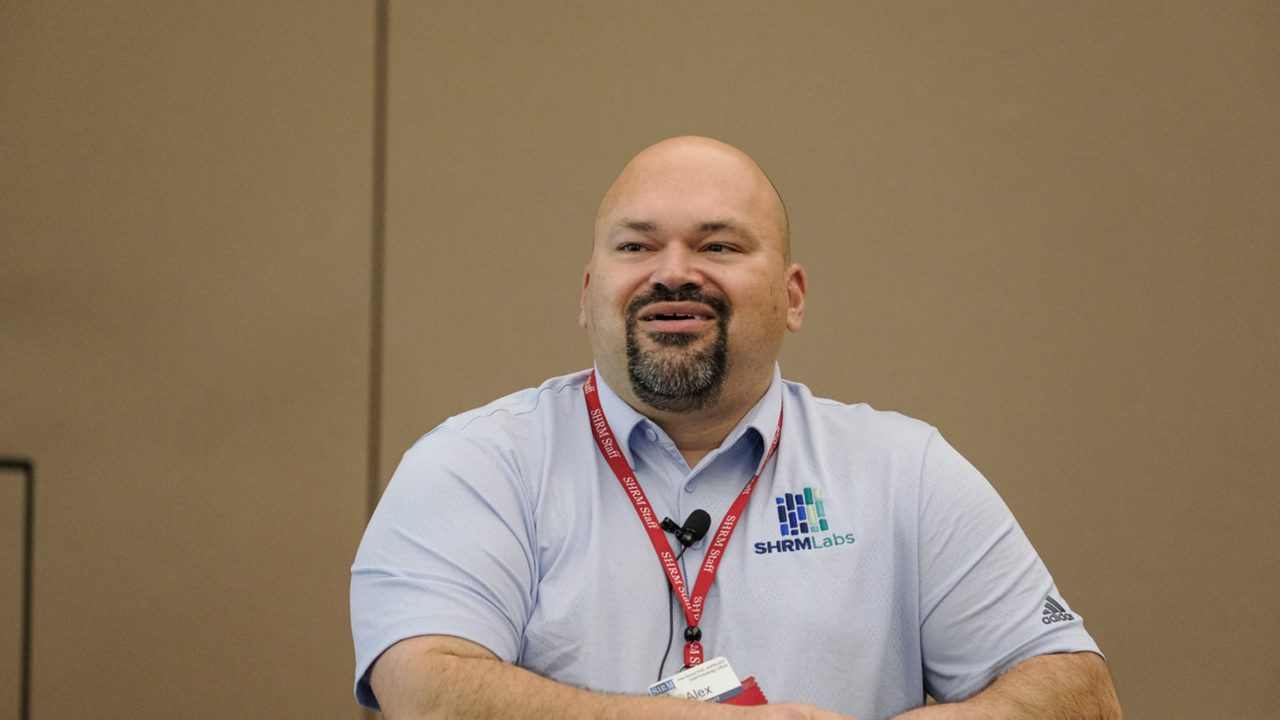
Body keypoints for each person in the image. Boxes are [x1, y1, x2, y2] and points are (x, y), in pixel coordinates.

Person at [350, 136, 1121, 719]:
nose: (674, 271)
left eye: (718, 245)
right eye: (636, 245)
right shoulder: (478, 464)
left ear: (792, 296)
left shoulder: (902, 469)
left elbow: (1078, 691)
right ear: (589, 294)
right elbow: (426, 691)